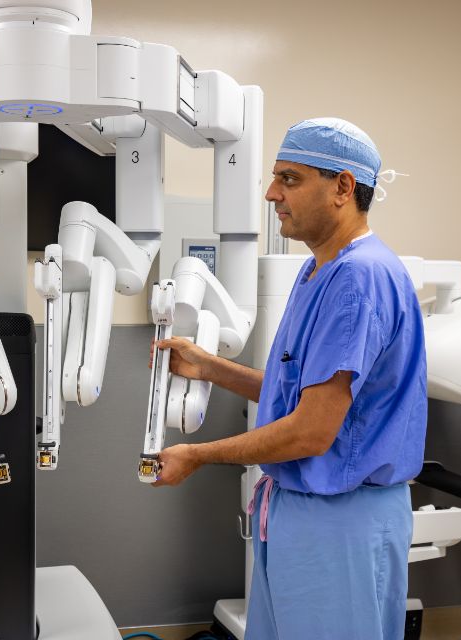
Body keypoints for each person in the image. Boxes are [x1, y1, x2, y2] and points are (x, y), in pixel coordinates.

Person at [153, 118, 427, 639]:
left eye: (291, 179)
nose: (272, 193)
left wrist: (197, 455)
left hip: (341, 522)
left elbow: (311, 431)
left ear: (343, 187)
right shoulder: (318, 270)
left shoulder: (358, 278)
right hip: (301, 515)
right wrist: (208, 366)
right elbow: (301, 394)